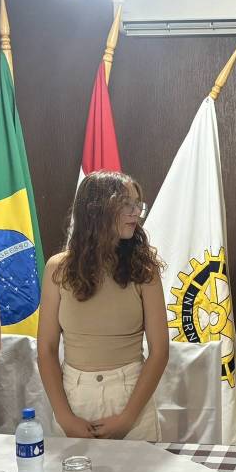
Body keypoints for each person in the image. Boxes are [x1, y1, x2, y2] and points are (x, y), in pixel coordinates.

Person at [37, 171, 169, 440]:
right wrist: (64, 417)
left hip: (131, 399)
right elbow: (46, 350)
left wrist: (128, 418)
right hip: (74, 399)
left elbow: (160, 352)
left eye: (138, 204)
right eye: (126, 204)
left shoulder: (145, 269)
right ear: (96, 210)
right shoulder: (57, 269)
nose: (136, 212)